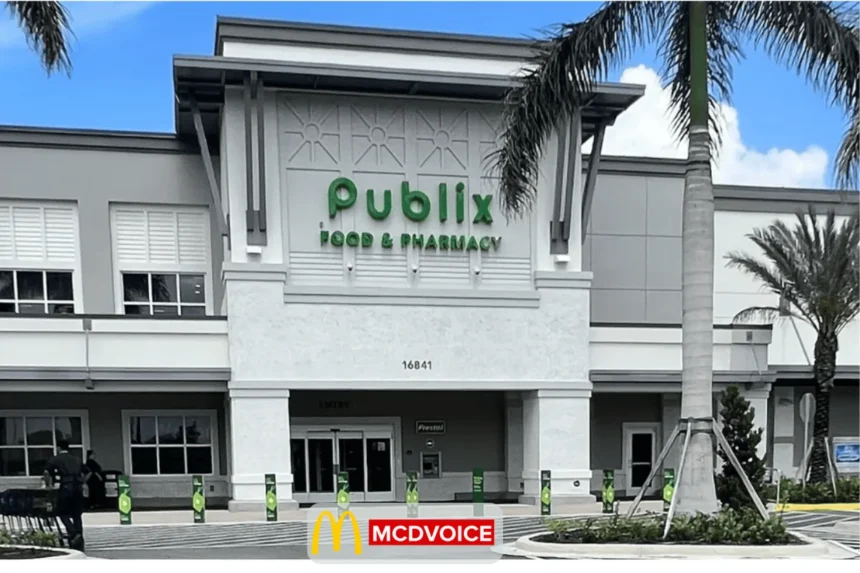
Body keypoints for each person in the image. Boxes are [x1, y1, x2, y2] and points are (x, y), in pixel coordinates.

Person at [43, 439, 87, 552]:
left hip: (66, 487)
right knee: (77, 514)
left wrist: (48, 486)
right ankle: (79, 537)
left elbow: (47, 473)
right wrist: (83, 481)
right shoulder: (77, 459)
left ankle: (73, 533)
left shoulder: (55, 459)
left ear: (58, 448)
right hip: (78, 488)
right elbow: (87, 471)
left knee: (62, 512)